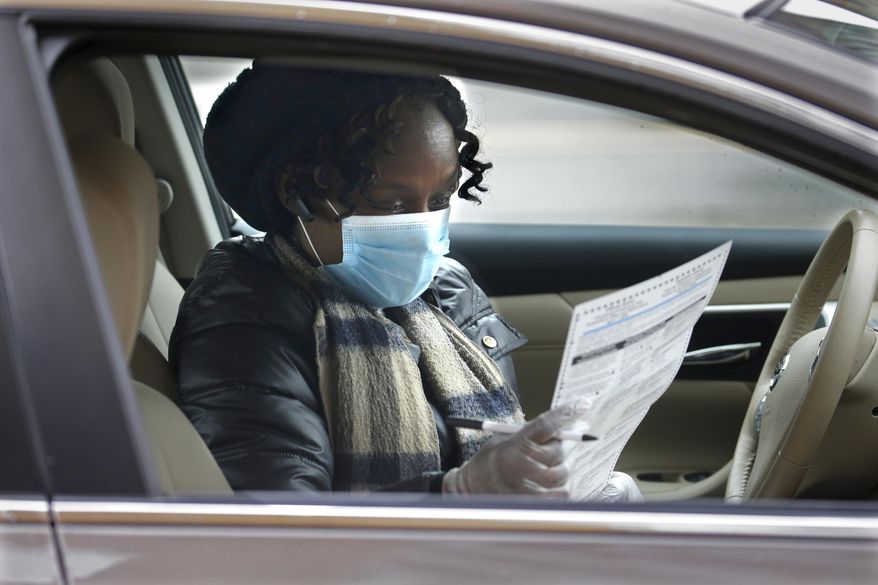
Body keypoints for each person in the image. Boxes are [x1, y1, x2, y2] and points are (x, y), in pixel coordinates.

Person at [170, 63, 640, 500]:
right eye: (391, 205)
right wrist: (461, 494)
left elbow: (484, 432)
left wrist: (549, 471)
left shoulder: (445, 289)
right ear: (300, 195)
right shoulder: (245, 318)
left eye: (440, 198)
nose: (423, 226)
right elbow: (283, 531)